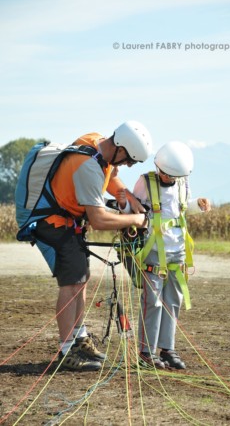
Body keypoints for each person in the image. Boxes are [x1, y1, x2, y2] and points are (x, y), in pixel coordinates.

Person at [34, 121, 152, 371]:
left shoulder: (97, 143)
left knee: (81, 280)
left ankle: (79, 338)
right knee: (71, 284)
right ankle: (67, 351)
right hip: (55, 224)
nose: (128, 165)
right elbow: (98, 220)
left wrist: (127, 194)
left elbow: (109, 176)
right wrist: (135, 219)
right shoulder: (88, 167)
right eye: (129, 160)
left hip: (69, 222)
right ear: (120, 148)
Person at [116, 141, 211, 370]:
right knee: (154, 302)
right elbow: (134, 208)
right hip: (154, 252)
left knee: (173, 300)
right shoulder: (145, 183)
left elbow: (179, 208)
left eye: (175, 177)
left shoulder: (180, 181)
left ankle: (168, 349)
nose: (172, 180)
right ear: (159, 168)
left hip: (178, 252)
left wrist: (196, 205)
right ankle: (146, 352)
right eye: (168, 176)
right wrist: (123, 204)